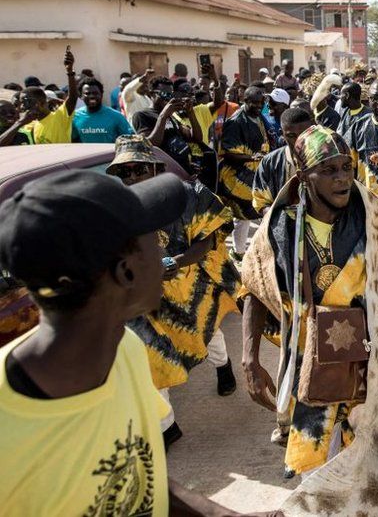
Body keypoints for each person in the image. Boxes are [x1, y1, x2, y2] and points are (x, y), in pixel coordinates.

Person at [0, 169, 273, 516]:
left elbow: (137, 479)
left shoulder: (126, 350)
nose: (165, 248)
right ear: (126, 272)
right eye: (153, 239)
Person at [239, 125, 378, 477]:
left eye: (346, 168)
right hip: (311, 363)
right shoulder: (280, 228)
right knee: (317, 475)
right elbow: (255, 291)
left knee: (368, 469)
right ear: (304, 176)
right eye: (329, 170)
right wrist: (249, 359)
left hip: (371, 362)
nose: (342, 179)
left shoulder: (375, 221)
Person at [106, 136, 240, 447]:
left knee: (207, 334)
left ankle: (223, 367)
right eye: (124, 172)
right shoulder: (118, 207)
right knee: (153, 354)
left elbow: (208, 238)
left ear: (155, 167)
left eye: (138, 169)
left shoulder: (188, 194)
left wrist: (176, 262)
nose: (132, 177)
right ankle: (167, 425)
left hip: (192, 282)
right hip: (147, 293)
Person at [218, 86, 274, 257]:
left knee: (245, 217)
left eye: (261, 103)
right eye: (255, 103)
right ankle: (238, 252)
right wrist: (252, 158)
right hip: (236, 178)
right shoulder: (235, 122)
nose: (259, 106)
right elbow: (228, 152)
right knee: (244, 215)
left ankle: (240, 251)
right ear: (245, 101)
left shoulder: (258, 117)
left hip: (256, 173)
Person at [131, 78, 211, 185]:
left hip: (184, 174)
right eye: (164, 94)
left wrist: (191, 113)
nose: (168, 98)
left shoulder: (172, 116)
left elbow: (196, 137)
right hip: (166, 179)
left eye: (171, 94)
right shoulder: (142, 115)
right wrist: (163, 116)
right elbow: (150, 145)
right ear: (152, 94)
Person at [0, 48, 78, 146]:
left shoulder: (59, 116)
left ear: (40, 102)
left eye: (26, 102)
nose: (23, 107)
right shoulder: (32, 125)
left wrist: (70, 71)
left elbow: (73, 98)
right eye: (21, 103)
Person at [252, 108, 315, 215]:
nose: (298, 141)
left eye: (303, 134)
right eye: (291, 136)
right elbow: (260, 202)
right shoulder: (270, 162)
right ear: (282, 134)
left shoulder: (325, 160)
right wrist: (280, 219)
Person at [346, 78, 378, 195]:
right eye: (374, 99)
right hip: (369, 203)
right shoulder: (358, 128)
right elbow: (347, 166)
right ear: (368, 100)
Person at [71, 77, 134, 143]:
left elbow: (130, 141)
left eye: (95, 93)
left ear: (101, 94)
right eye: (87, 93)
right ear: (81, 96)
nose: (92, 96)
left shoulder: (116, 116)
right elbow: (73, 141)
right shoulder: (75, 117)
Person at [192, 71, 238, 150]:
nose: (212, 92)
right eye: (211, 89)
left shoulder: (234, 107)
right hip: (209, 147)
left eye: (214, 89)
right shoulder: (204, 106)